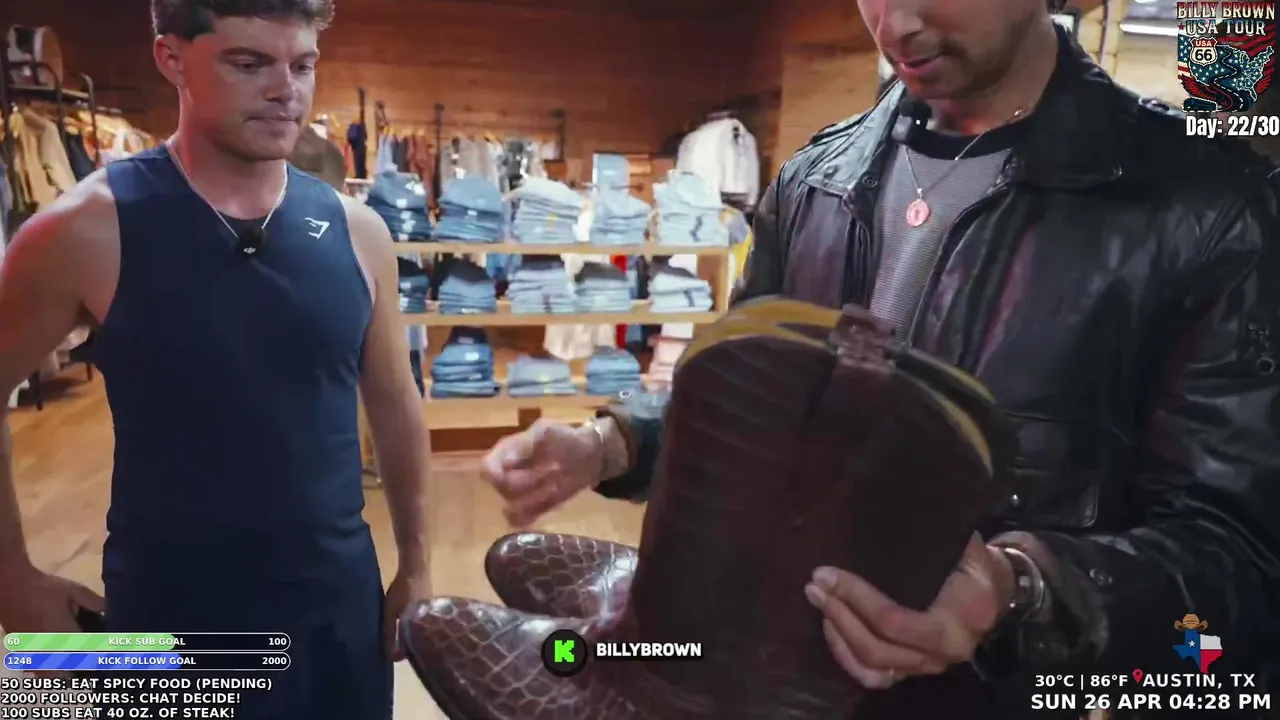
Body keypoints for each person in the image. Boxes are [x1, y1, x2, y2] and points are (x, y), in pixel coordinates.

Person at [482, 0, 1280, 714]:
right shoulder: (815, 182)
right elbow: (755, 401)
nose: (896, 24)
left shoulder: (1209, 210)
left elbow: (1238, 552)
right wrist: (614, 442)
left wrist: (1020, 587)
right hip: (773, 673)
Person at [0, 1, 431, 717]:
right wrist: (11, 583)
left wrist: (417, 565)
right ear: (172, 58)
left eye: (302, 65)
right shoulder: (83, 228)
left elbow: (394, 399)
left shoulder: (360, 232)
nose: (285, 89)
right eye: (249, 63)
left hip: (338, 609)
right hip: (168, 616)